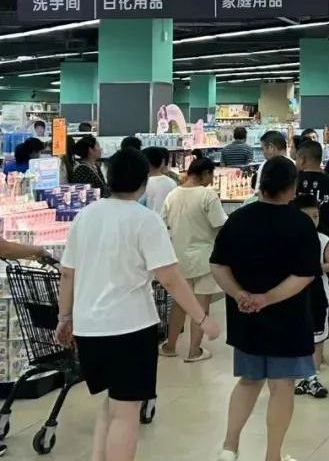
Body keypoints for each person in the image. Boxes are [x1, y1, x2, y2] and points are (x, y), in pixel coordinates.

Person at [56, 148, 221, 461]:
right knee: (126, 411)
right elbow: (170, 278)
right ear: (143, 181)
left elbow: (67, 273)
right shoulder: (145, 220)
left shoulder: (85, 216)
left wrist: (64, 317)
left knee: (111, 403)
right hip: (130, 328)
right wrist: (202, 319)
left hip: (89, 329)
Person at [210, 156, 321, 461]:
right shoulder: (301, 224)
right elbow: (304, 275)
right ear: (292, 187)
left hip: (246, 317)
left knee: (248, 381)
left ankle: (229, 447)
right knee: (282, 386)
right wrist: (267, 298)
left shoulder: (238, 220)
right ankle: (273, 455)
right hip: (288, 318)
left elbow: (218, 265)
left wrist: (240, 294)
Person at [160, 157, 229, 362]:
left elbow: (163, 223)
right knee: (200, 306)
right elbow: (220, 225)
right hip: (204, 258)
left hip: (178, 257)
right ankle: (194, 351)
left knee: (180, 304)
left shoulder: (173, 194)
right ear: (206, 173)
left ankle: (170, 346)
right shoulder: (207, 195)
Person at [292, 195, 329, 400]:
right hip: (295, 295)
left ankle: (313, 377)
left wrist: (314, 267)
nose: (313, 221)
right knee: (299, 336)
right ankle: (303, 376)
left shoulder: (323, 239)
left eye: (316, 216)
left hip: (319, 295)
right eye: (308, 216)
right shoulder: (290, 239)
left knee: (318, 338)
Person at [142, 147, 177, 215]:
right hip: (167, 219)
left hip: (150, 218)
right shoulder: (172, 182)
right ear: (162, 162)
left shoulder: (144, 184)